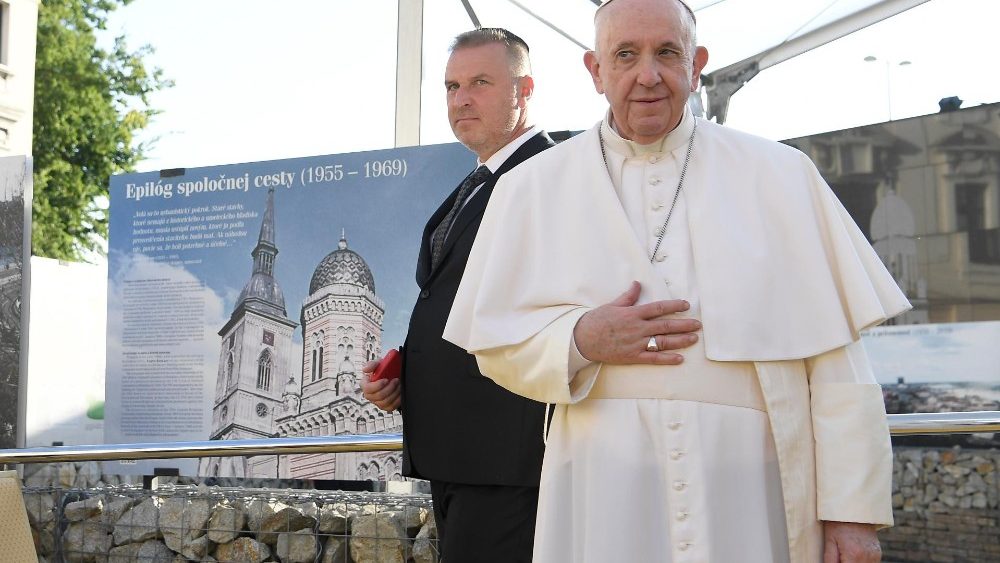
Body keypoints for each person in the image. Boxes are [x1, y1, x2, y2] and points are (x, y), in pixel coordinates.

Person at [442, 1, 911, 562]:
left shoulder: (780, 175)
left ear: (696, 65)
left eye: (667, 52)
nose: (648, 75)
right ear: (595, 71)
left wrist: (852, 516)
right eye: (625, 55)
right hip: (602, 489)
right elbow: (494, 344)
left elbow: (840, 369)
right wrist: (579, 340)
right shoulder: (530, 189)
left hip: (752, 491)